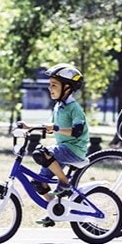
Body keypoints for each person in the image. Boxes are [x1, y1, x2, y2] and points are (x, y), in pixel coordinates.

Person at [18, 63, 90, 227]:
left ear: (67, 88)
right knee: (38, 182)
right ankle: (55, 210)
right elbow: (51, 127)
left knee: (41, 152)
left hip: (73, 150)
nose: (50, 88)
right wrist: (29, 127)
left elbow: (77, 131)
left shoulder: (74, 108)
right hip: (62, 151)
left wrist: (56, 128)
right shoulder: (58, 106)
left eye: (54, 85)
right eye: (50, 85)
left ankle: (65, 183)